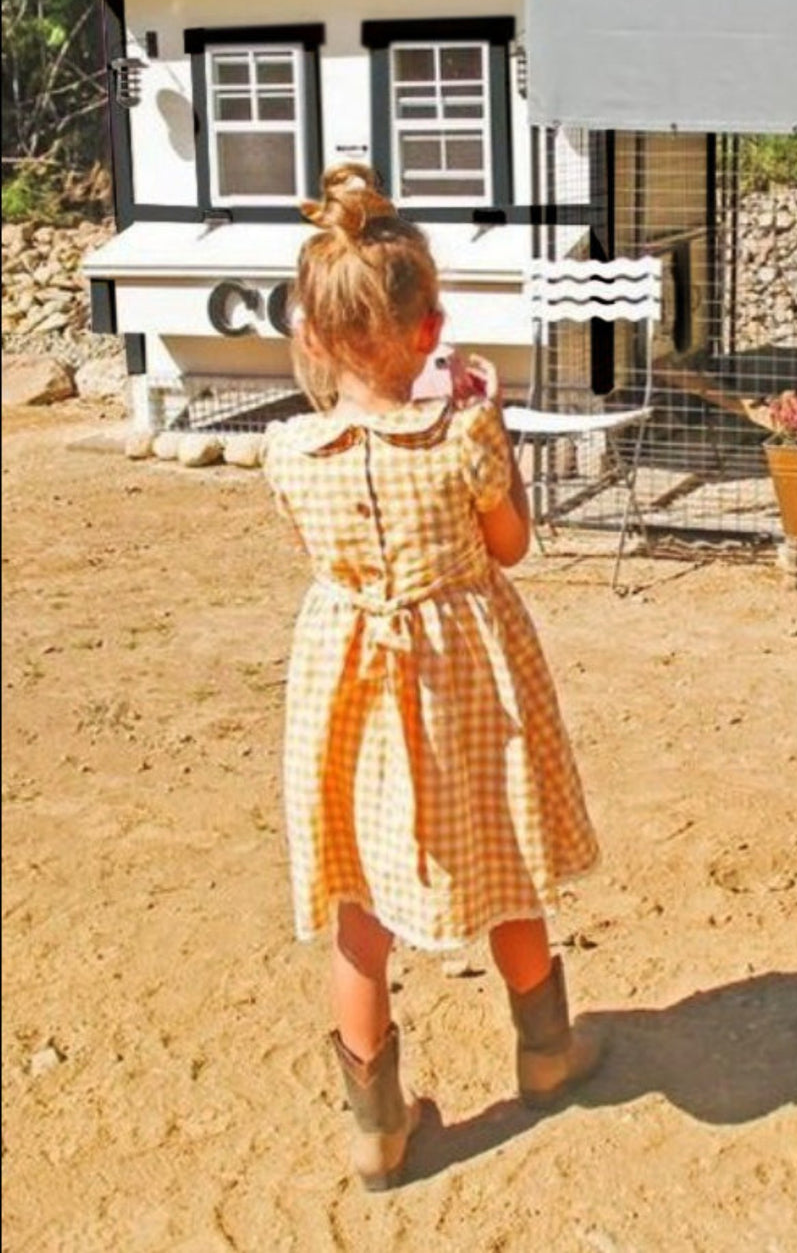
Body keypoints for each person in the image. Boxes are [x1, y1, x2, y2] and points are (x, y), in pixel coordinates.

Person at [263, 163, 604, 1191]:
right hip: (466, 685)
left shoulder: (289, 451)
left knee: (356, 906)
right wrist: (483, 424)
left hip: (348, 694)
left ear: (310, 339)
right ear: (431, 329)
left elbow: (323, 554)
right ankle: (546, 1052)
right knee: (501, 861)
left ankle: (374, 1126)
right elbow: (510, 546)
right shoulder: (465, 433)